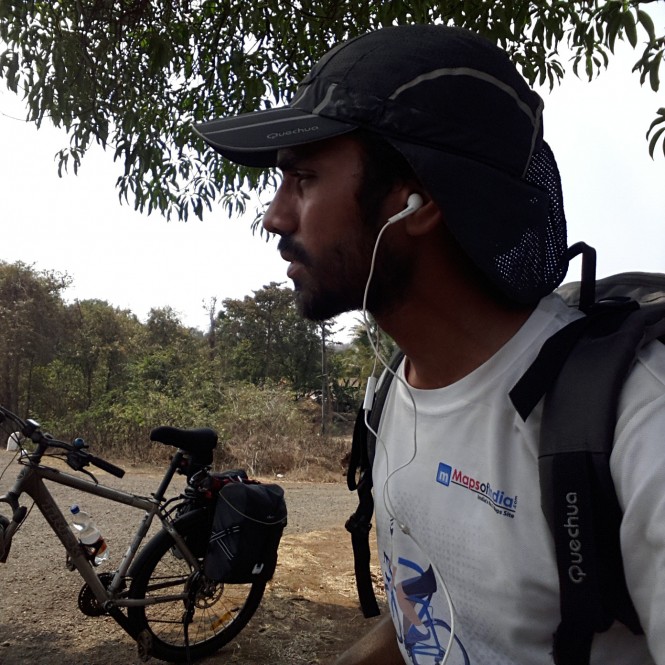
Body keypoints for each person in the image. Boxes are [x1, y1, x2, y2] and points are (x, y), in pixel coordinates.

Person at [194, 24, 665, 665]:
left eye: (302, 179)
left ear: (415, 202)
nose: (273, 216)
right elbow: (432, 620)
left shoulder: (639, 422)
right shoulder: (395, 394)